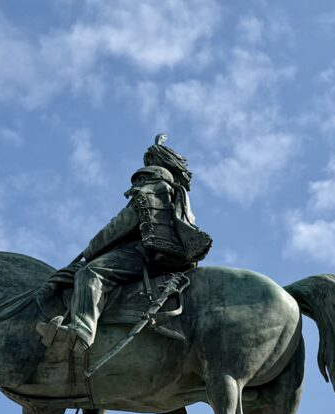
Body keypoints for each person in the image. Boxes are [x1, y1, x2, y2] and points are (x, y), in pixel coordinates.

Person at [40, 133, 211, 349]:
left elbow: (120, 226)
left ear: (151, 164)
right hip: (170, 256)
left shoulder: (151, 187)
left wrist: (90, 251)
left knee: (89, 273)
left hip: (146, 255)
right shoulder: (174, 192)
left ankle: (80, 332)